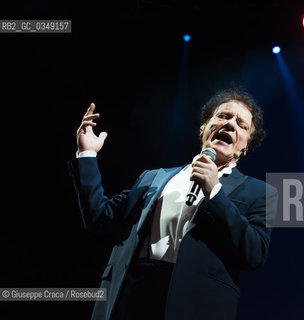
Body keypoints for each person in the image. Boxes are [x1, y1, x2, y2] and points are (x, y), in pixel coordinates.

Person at [68, 88, 278, 320]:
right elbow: (99, 219)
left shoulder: (261, 193)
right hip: (131, 295)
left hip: (193, 304)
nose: (230, 124)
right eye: (223, 116)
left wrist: (214, 191)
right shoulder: (153, 178)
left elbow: (254, 253)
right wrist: (86, 154)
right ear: (203, 130)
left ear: (245, 148)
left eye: (241, 124)